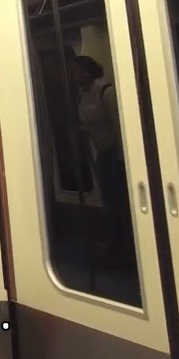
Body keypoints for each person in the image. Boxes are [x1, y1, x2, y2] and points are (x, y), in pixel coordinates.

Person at [70, 55, 132, 265]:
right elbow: (88, 123)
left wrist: (122, 158)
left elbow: (119, 125)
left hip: (114, 153)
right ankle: (114, 246)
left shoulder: (106, 92)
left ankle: (127, 248)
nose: (73, 76)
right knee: (109, 202)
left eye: (75, 71)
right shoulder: (82, 96)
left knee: (120, 203)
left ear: (87, 72)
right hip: (100, 154)